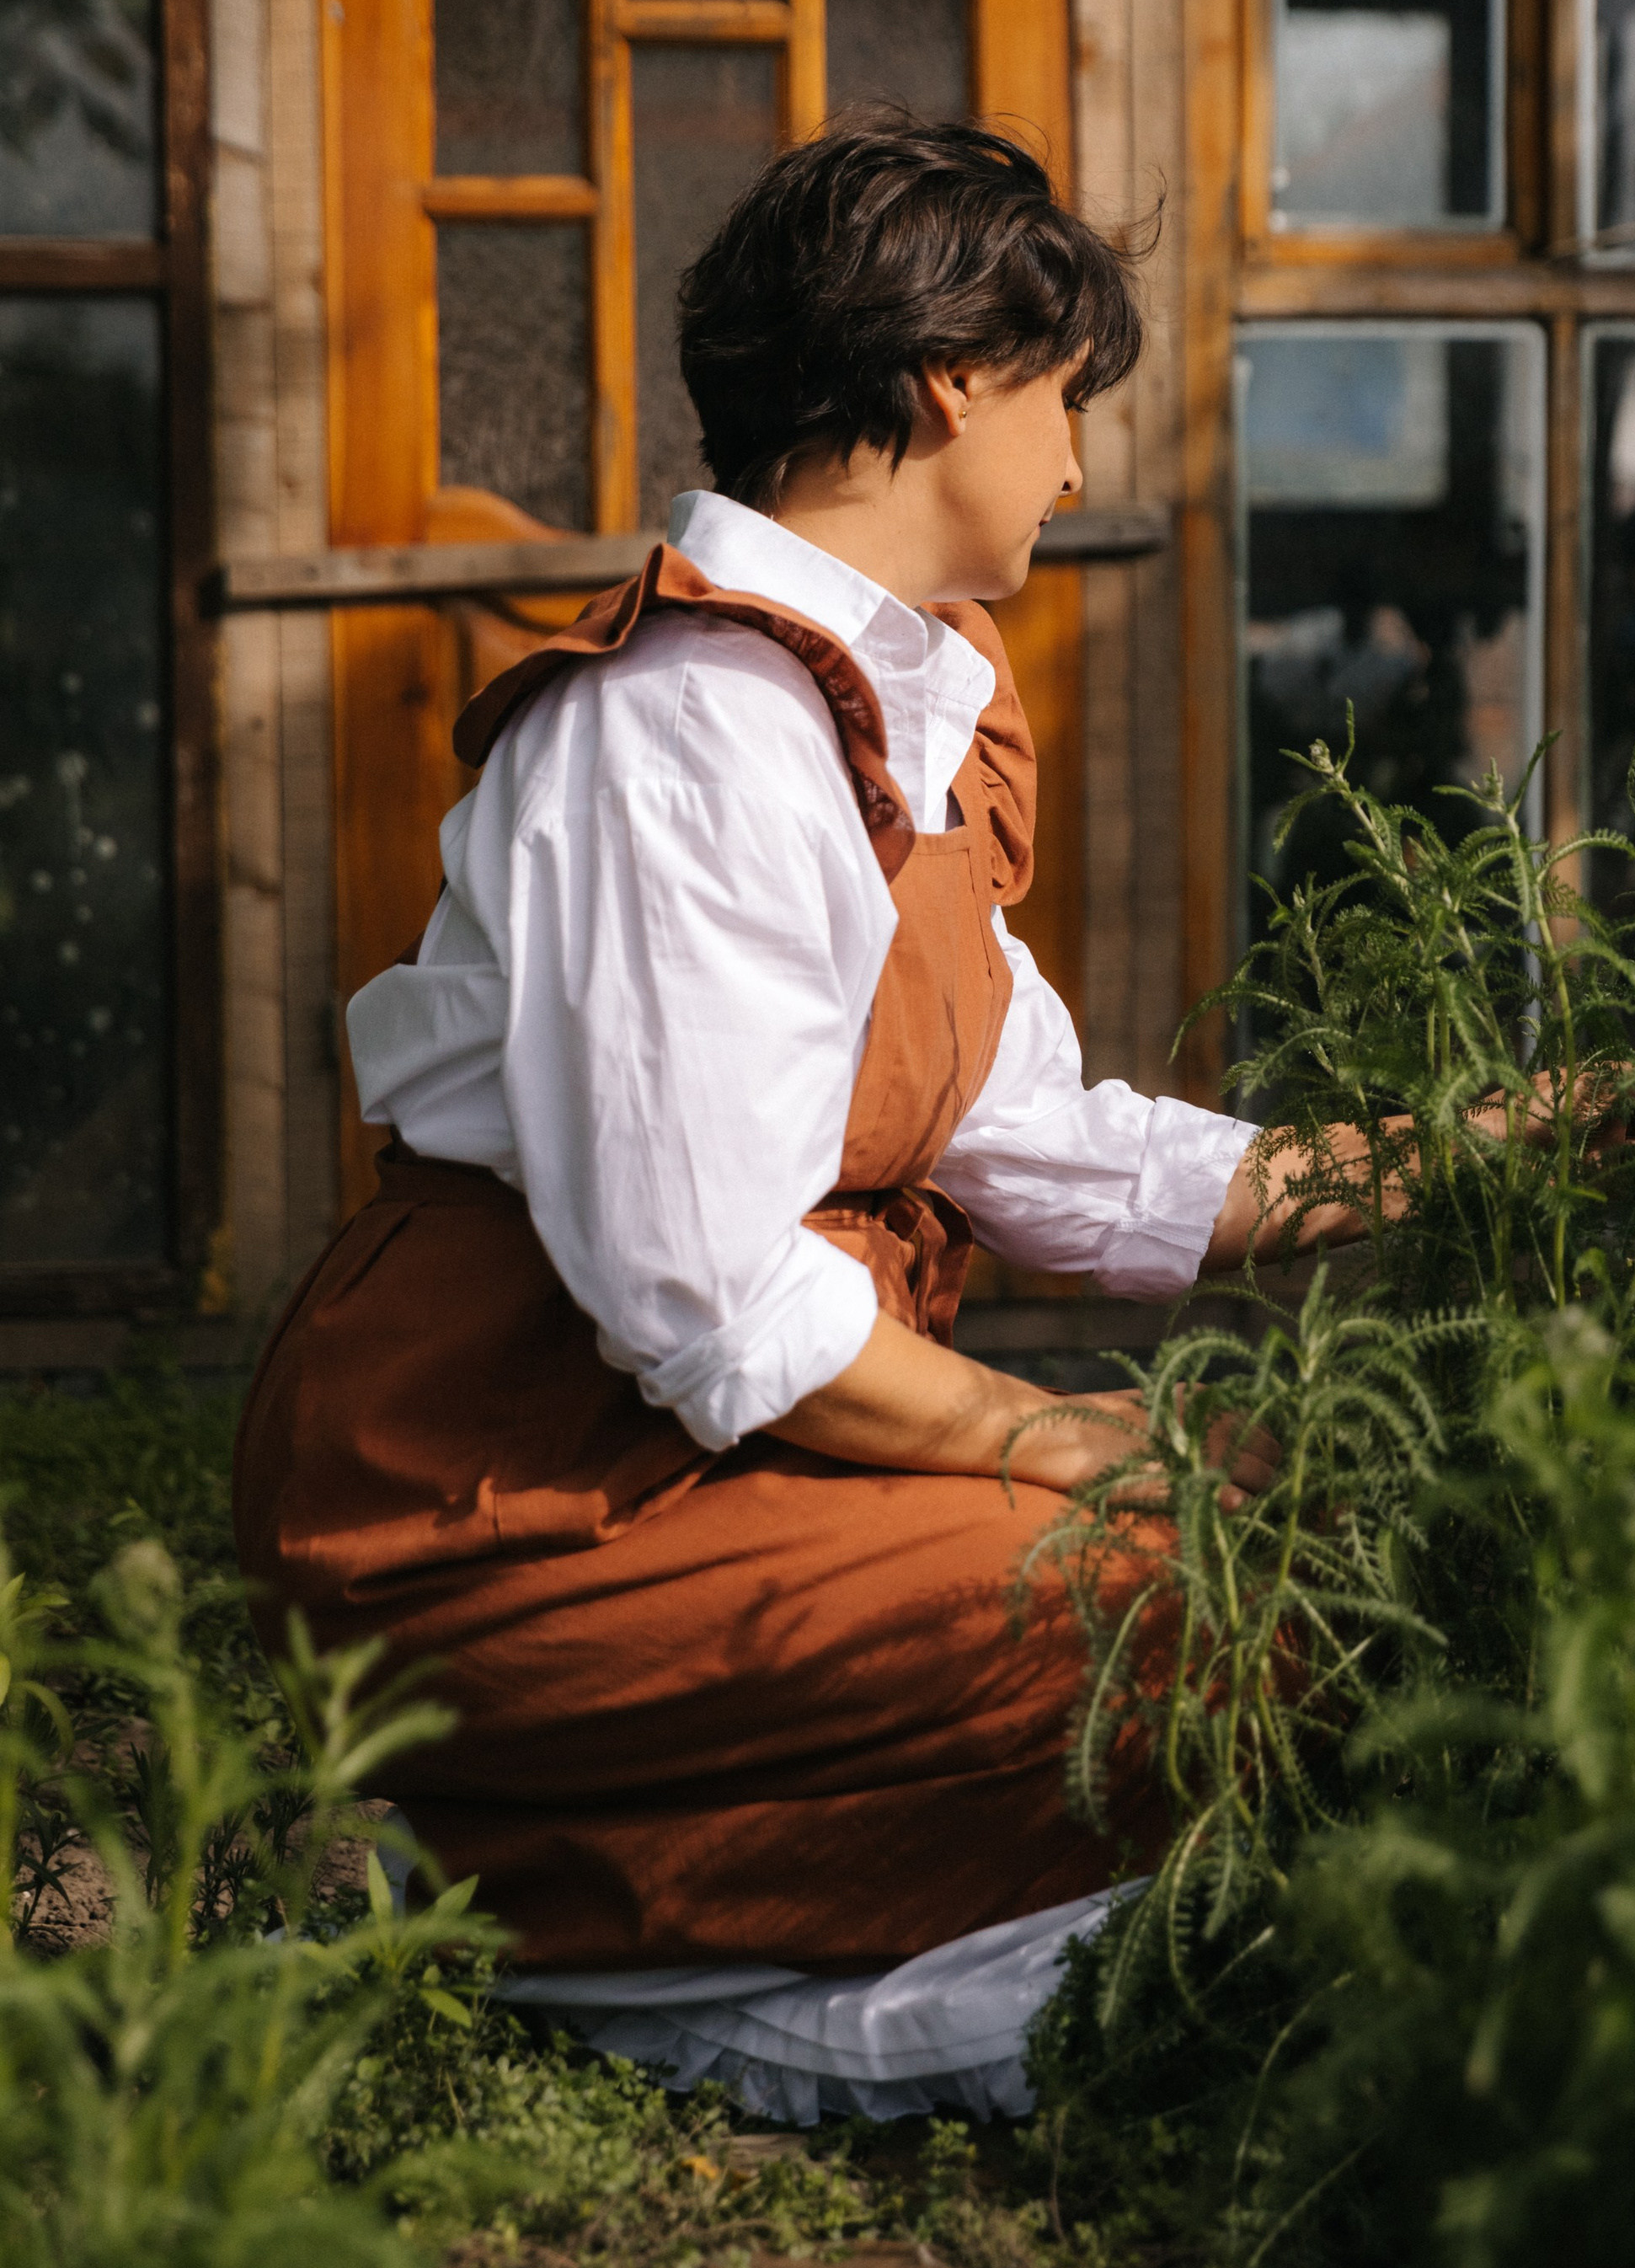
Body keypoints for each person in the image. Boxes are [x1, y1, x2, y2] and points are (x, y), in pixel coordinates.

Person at [233, 119, 1392, 1979]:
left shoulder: (879, 710)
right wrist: (1064, 1437)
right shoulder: (690, 731)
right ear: (949, 379)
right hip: (510, 1499)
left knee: (1280, 1549)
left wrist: (1449, 1154)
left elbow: (1044, 1146)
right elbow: (705, 1296)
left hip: (691, 1459)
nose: (1079, 452)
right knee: (1171, 1603)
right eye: (1062, 393)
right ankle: (485, 1884)